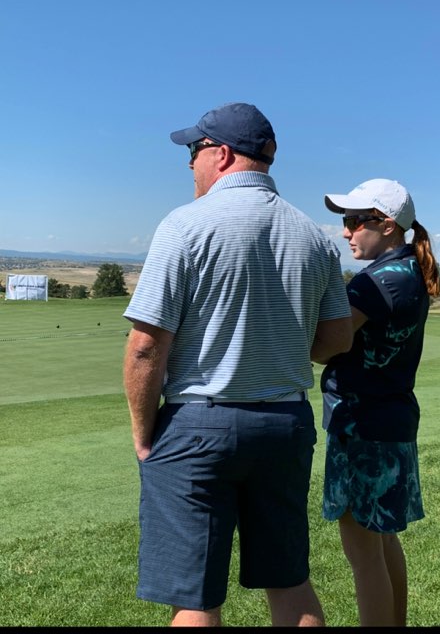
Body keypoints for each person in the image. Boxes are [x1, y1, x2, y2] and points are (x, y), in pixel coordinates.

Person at [123, 101, 353, 627]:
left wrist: (143, 434)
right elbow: (335, 340)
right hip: (284, 423)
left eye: (193, 151)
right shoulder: (315, 236)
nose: (189, 164)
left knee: (196, 597)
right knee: (289, 580)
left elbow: (145, 345)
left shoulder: (184, 225)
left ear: (222, 154)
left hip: (197, 425)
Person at [316, 178, 440, 626]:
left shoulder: (374, 284)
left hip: (362, 426)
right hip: (391, 420)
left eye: (353, 221)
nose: (346, 231)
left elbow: (324, 347)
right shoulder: (408, 271)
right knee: (383, 541)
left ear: (387, 225)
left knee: (364, 553)